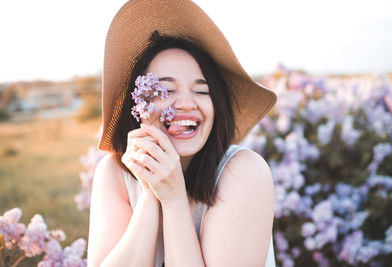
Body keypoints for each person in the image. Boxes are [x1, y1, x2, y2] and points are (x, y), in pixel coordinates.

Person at [87, 0, 277, 266]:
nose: (187, 103)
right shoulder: (114, 173)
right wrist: (152, 190)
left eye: (201, 91)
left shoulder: (244, 171)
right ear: (138, 105)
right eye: (166, 90)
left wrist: (174, 198)